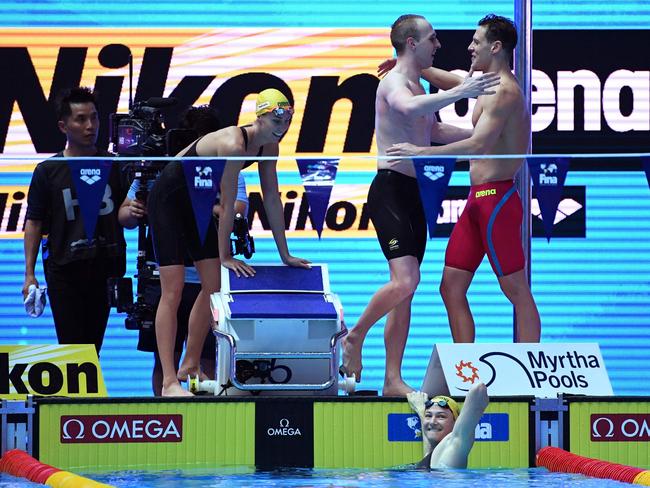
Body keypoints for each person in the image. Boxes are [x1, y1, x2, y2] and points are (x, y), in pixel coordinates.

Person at [340, 14, 501, 396]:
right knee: (406, 281)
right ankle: (353, 336)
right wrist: (462, 93)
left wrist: (488, 137)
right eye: (432, 38)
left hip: (413, 194)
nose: (438, 44)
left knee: (406, 292)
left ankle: (392, 379)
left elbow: (433, 131)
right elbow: (408, 108)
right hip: (390, 190)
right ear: (412, 43)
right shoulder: (396, 82)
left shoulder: (417, 82)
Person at [387, 14, 541, 343]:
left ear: (496, 47)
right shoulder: (487, 83)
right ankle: (466, 369)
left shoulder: (505, 93)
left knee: (515, 289)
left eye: (477, 42)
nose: (470, 47)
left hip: (497, 201)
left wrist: (421, 152)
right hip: (477, 201)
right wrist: (410, 65)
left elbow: (478, 143)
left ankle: (532, 375)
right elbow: (454, 84)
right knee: (451, 286)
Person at [147, 88, 311, 396]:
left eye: (287, 118)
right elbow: (225, 203)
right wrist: (224, 256)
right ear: (259, 116)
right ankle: (169, 381)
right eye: (276, 117)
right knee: (174, 288)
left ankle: (190, 364)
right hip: (169, 197)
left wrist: (285, 254)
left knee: (214, 285)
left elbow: (272, 199)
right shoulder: (235, 144)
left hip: (197, 200)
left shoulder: (269, 148)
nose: (282, 124)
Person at [118, 105, 249, 396]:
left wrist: (211, 209)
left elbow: (237, 208)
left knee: (210, 355)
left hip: (203, 268)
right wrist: (135, 209)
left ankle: (193, 374)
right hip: (166, 267)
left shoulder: (228, 162)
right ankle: (168, 387)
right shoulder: (165, 166)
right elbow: (124, 215)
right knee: (164, 341)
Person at [22, 87, 126, 353]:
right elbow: (33, 223)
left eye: (94, 117)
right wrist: (29, 274)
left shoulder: (116, 165)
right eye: (81, 119)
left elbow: (129, 213)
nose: (90, 126)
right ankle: (77, 396)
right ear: (63, 125)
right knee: (72, 347)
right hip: (64, 269)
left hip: (105, 266)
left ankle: (87, 395)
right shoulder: (48, 170)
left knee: (93, 347)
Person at [407, 383, 489, 469]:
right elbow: (428, 451)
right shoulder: (433, 457)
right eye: (428, 415)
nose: (432, 422)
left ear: (456, 422)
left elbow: (479, 389)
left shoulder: (454, 447)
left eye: (441, 416)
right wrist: (421, 410)